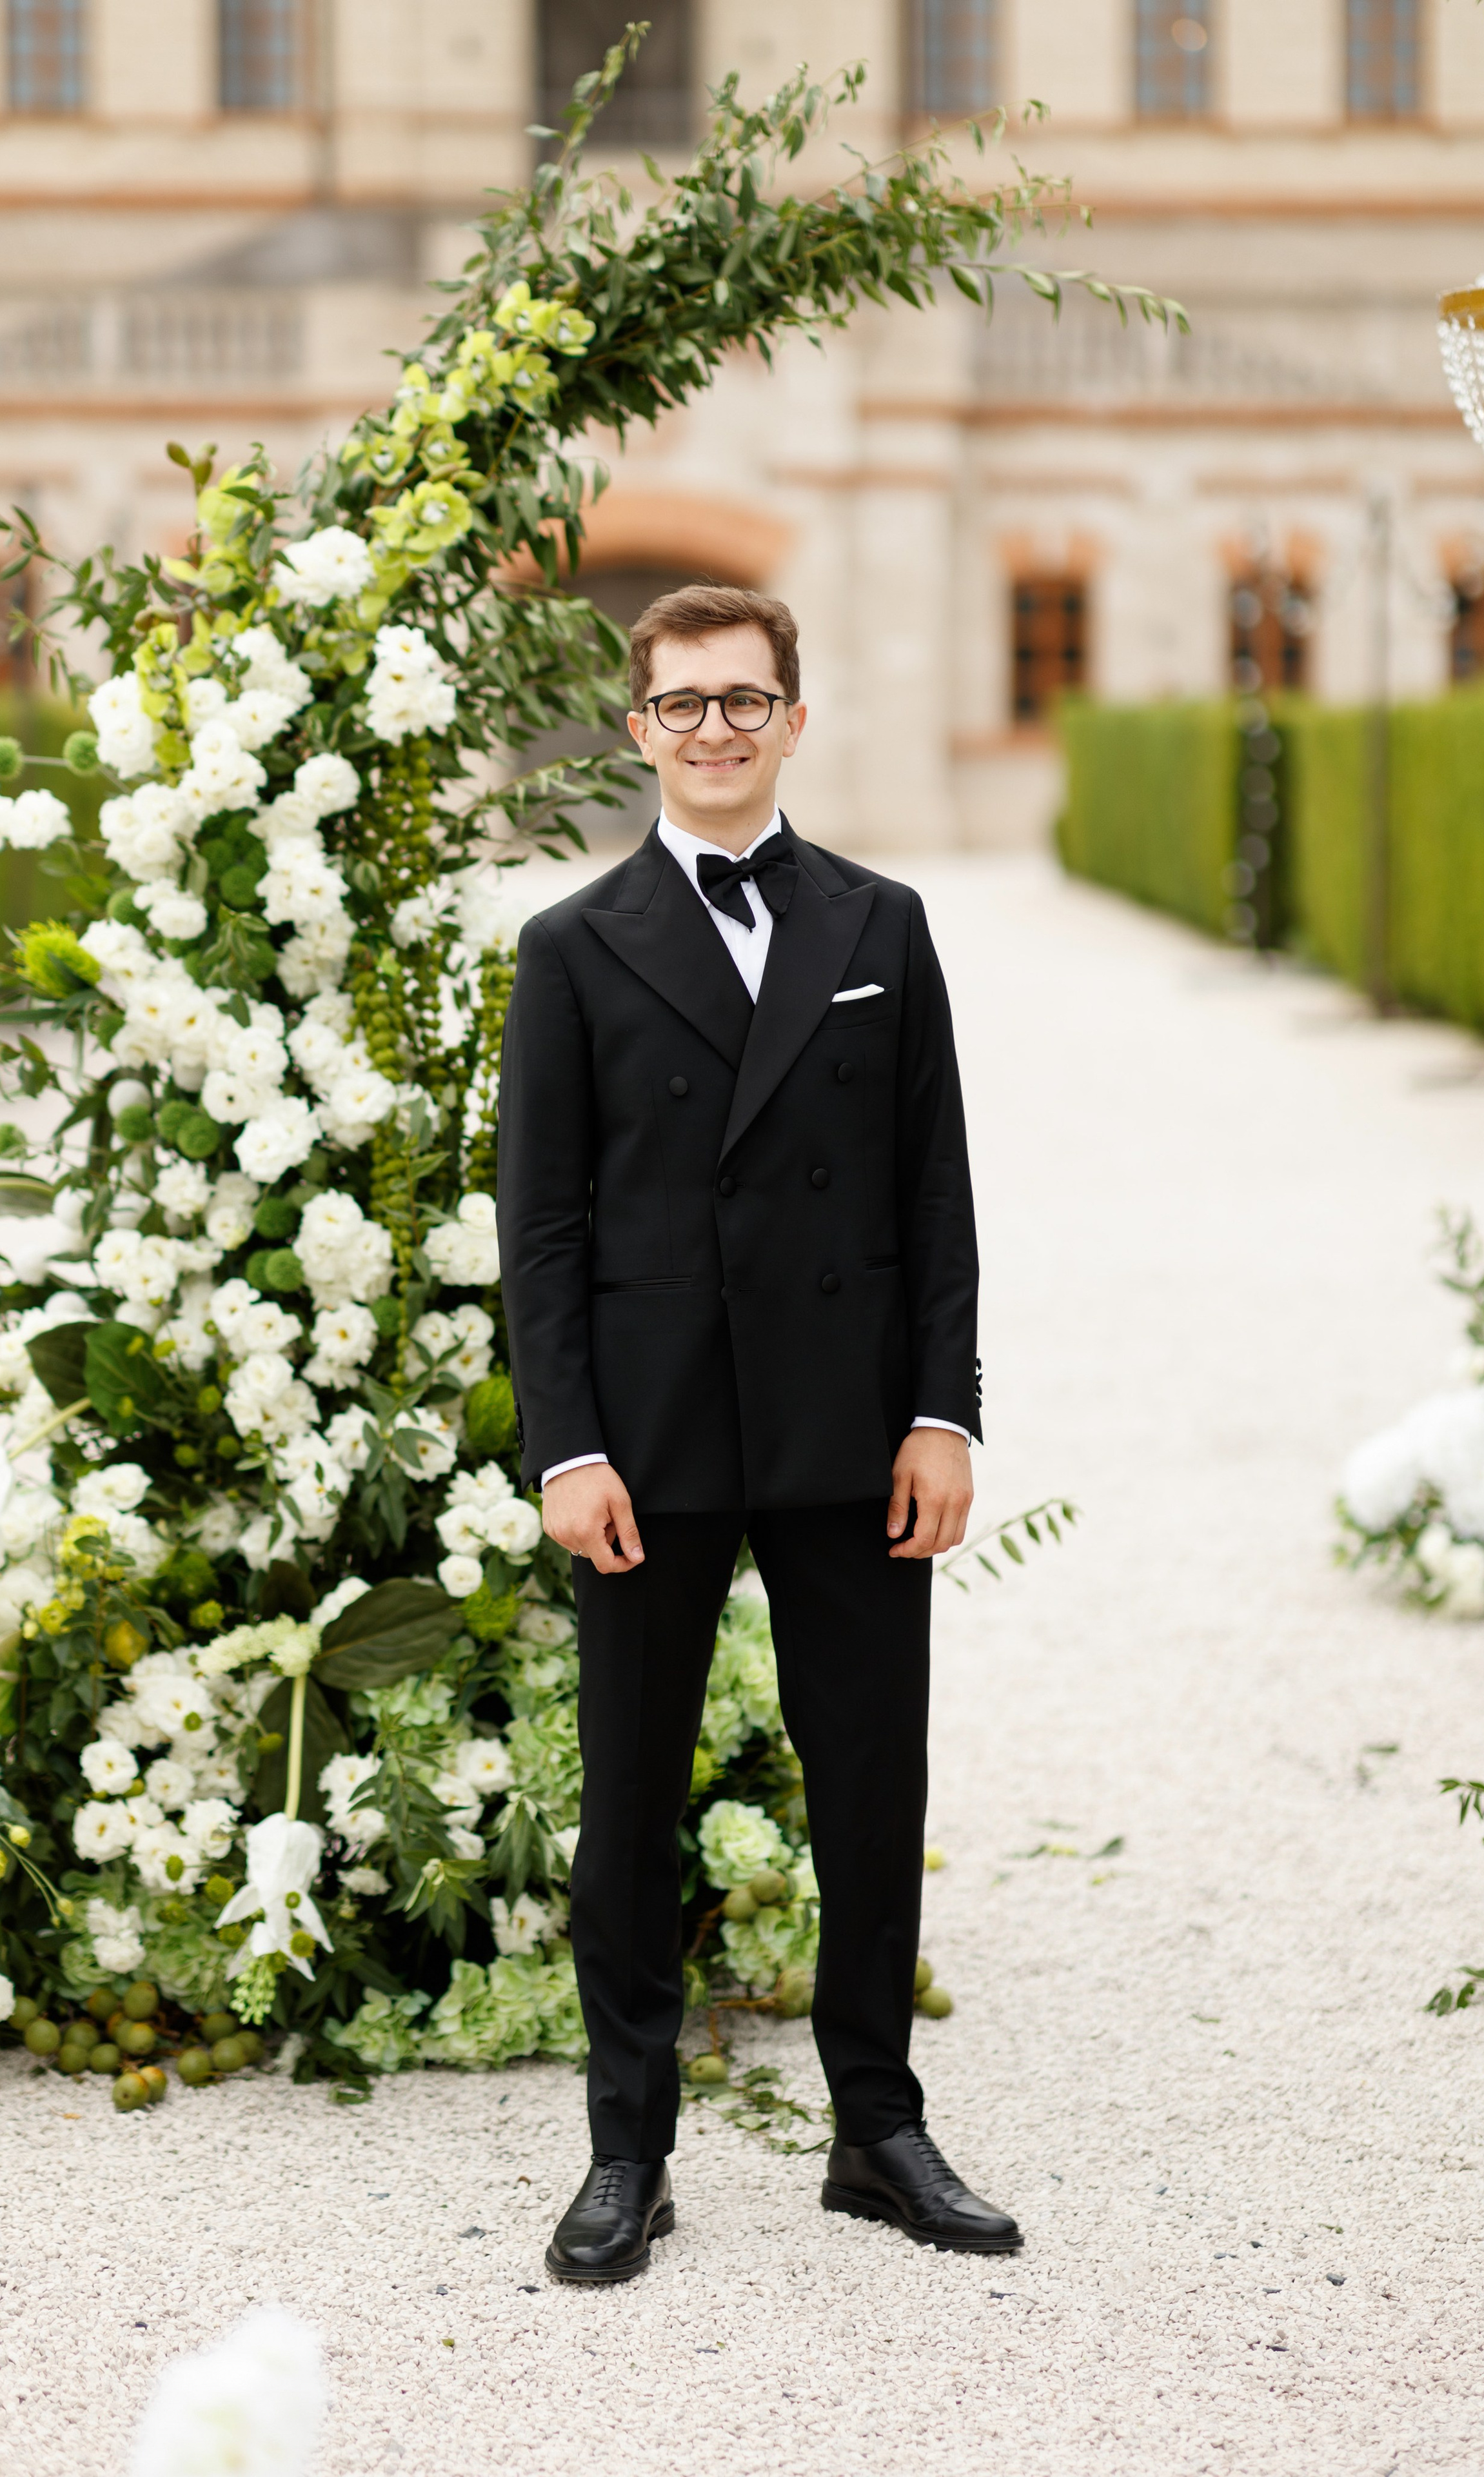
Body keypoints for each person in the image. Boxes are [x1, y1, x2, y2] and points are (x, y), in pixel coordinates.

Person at [497, 583, 1020, 2283]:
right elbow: (546, 1231)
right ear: (638, 726)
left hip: (850, 1425)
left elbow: (934, 1191)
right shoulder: (569, 950)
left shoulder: (884, 925)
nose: (715, 728)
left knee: (873, 1783)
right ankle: (624, 2153)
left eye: (746, 701)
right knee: (630, 1804)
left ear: (795, 719)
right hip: (647, 1445)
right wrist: (566, 1448)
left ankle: (878, 2128)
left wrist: (945, 1412)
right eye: (684, 703)